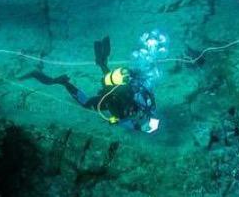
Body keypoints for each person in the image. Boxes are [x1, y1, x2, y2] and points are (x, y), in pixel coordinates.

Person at [25, 36, 161, 133]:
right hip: (111, 94)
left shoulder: (142, 101)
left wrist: (146, 122)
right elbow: (122, 121)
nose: (138, 115)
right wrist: (140, 126)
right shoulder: (131, 111)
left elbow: (146, 109)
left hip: (116, 88)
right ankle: (65, 82)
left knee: (108, 83)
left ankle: (101, 61)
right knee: (87, 102)